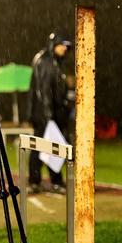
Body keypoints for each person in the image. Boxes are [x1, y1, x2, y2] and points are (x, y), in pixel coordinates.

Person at [27, 32, 71, 192]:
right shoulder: (46, 61)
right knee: (44, 146)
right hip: (44, 113)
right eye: (62, 45)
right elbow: (44, 90)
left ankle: (48, 180)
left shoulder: (54, 61)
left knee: (51, 146)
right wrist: (48, 115)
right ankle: (39, 181)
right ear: (54, 45)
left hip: (48, 112)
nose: (65, 49)